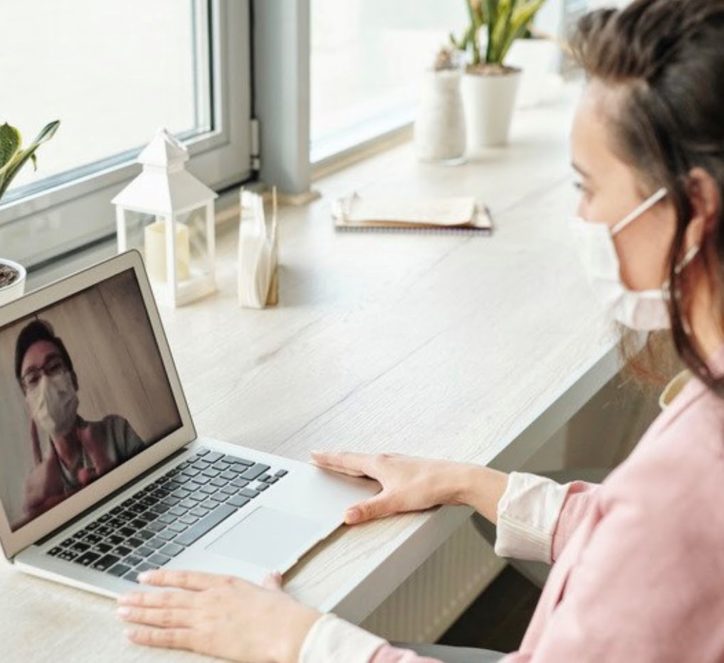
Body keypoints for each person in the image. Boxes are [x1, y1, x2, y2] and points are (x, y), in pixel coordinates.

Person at [116, 1, 724, 661]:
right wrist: (469, 481)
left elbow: (655, 533)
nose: (578, 215)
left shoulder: (688, 475)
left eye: (588, 187)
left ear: (692, 210)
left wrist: (297, 638)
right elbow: (641, 550)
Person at [15, 319, 145, 525]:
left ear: (73, 380)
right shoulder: (39, 487)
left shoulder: (116, 431)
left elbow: (156, 497)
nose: (46, 384)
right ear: (29, 403)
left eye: (54, 367)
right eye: (33, 379)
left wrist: (115, 485)